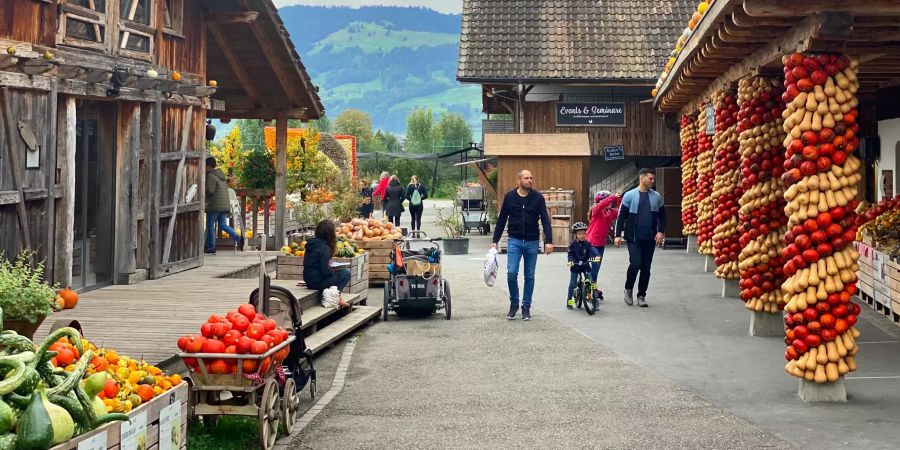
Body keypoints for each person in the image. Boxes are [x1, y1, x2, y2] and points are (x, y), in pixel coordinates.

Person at [492, 170, 553, 321]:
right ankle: (514, 304)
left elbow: (545, 219)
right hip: (515, 241)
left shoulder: (538, 198)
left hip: (532, 241)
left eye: (531, 178)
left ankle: (526, 307)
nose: (530, 180)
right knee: (511, 273)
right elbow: (502, 219)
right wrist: (495, 240)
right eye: (526, 178)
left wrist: (549, 241)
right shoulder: (510, 197)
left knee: (529, 275)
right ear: (519, 180)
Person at [614, 168, 667, 307]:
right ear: (642, 178)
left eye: (653, 179)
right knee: (635, 263)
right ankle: (628, 289)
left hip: (650, 239)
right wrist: (617, 235)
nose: (653, 181)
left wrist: (660, 231)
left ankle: (641, 295)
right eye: (650, 178)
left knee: (646, 268)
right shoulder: (629, 195)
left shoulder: (656, 196)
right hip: (634, 238)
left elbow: (663, 216)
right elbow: (621, 216)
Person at [303, 220, 351, 308]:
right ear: (330, 234)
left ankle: (333, 295)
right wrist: (333, 270)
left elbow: (315, 264)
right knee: (346, 273)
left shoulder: (311, 244)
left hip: (309, 281)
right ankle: (336, 296)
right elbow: (325, 272)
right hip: (318, 283)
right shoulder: (324, 247)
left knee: (340, 273)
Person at [586, 190, 621, 299]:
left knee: (596, 268)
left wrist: (619, 198)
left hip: (601, 244)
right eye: (608, 200)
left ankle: (591, 287)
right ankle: (591, 289)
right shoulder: (596, 210)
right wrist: (612, 197)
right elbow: (602, 205)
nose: (610, 203)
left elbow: (620, 211)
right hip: (592, 242)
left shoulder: (609, 213)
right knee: (595, 267)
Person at [204, 157, 243, 254]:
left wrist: (203, 192)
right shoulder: (221, 177)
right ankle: (239, 238)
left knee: (210, 225)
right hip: (224, 205)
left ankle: (211, 247)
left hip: (215, 205)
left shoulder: (210, 176)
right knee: (223, 225)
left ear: (208, 166)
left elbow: (210, 191)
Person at [566, 222, 600, 310]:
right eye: (579, 234)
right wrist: (570, 261)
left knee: (592, 283)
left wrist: (597, 255)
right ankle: (569, 300)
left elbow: (593, 249)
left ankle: (595, 301)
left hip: (585, 266)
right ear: (576, 235)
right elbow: (570, 254)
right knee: (572, 283)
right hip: (575, 266)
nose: (582, 235)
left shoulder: (588, 244)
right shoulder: (572, 245)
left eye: (584, 233)